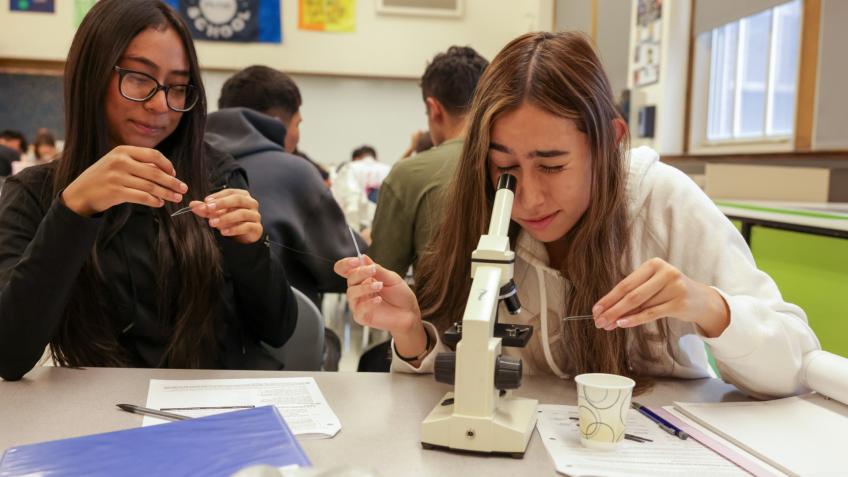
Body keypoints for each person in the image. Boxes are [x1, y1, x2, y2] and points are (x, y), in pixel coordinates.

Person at [334, 32, 820, 399]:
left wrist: (708, 305)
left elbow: (793, 364)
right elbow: (455, 384)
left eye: (553, 164)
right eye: (505, 166)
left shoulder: (663, 201)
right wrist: (411, 334)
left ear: (609, 141)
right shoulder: (482, 209)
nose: (528, 198)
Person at [0, 0, 297, 382]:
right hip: (98, 416)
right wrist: (74, 210)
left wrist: (250, 250)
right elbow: (9, 355)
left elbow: (277, 328)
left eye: (177, 86)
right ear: (91, 75)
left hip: (215, 411)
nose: (161, 105)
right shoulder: (36, 193)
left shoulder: (216, 174)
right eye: (140, 78)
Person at [209, 65, 363, 308]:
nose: (297, 135)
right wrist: (361, 240)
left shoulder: (184, 162)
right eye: (297, 124)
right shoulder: (294, 172)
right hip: (281, 335)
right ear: (278, 123)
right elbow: (344, 268)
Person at [367, 46, 488, 276]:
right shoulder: (520, 164)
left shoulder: (408, 175)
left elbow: (380, 278)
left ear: (434, 109)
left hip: (432, 312)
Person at [332, 145, 390, 232]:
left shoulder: (349, 168)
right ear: (375, 157)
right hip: (384, 226)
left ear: (356, 158)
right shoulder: (388, 169)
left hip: (356, 225)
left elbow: (339, 201)